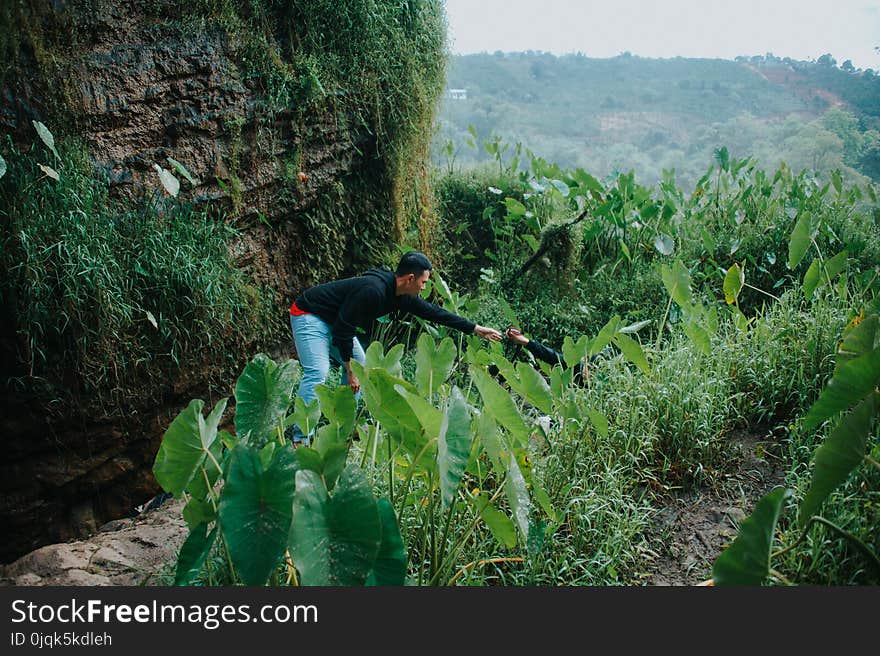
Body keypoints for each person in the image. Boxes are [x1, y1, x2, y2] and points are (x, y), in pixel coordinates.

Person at [289, 251, 503, 443]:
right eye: (424, 282)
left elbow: (433, 312)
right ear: (410, 278)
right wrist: (349, 370)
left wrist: (475, 328)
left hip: (335, 321)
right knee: (318, 371)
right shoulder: (373, 291)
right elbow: (344, 329)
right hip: (310, 314)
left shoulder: (399, 294)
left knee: (360, 367)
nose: (424, 287)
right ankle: (300, 439)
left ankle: (340, 431)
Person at [504, 326, 592, 386]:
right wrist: (526, 342)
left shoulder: (600, 392)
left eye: (592, 370)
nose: (587, 372)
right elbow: (550, 355)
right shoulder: (575, 365)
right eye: (587, 367)